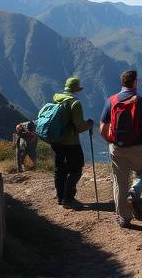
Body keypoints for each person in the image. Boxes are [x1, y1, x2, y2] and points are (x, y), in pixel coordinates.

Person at [100, 70, 142, 228]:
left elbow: (103, 127)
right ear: (136, 82)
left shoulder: (111, 100)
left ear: (122, 83)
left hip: (117, 148)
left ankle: (124, 218)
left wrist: (111, 141)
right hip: (138, 146)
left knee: (120, 182)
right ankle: (135, 191)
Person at [51, 77, 93, 209]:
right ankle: (68, 198)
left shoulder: (57, 99)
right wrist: (89, 124)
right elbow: (80, 127)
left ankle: (60, 197)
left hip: (56, 141)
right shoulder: (75, 103)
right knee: (76, 170)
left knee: (60, 169)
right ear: (76, 89)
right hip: (71, 143)